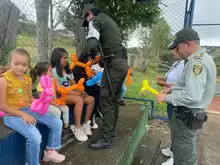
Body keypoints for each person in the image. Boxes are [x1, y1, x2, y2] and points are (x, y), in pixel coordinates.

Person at [156, 28, 216, 165]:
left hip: (187, 116)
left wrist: (166, 98)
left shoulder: (197, 63)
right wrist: (172, 88)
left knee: (184, 158)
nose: (175, 52)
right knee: (182, 153)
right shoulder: (199, 59)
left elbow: (192, 96)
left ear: (187, 44)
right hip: (189, 116)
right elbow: (185, 86)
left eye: (177, 48)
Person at [0, 48, 65, 165]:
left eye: (24, 65)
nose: (20, 67)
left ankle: (50, 152)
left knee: (56, 122)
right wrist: (23, 114)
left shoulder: (27, 79)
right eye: (16, 64)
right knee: (35, 137)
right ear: (9, 63)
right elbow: (2, 106)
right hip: (11, 114)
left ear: (28, 66)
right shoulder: (4, 80)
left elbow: (30, 99)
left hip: (28, 109)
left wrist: (41, 104)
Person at [82, 4, 128, 149]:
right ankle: (110, 132)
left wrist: (91, 56)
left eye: (87, 19)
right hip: (121, 63)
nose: (88, 23)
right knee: (113, 99)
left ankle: (106, 138)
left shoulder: (95, 21)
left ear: (90, 14)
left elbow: (92, 44)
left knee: (106, 100)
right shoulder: (109, 20)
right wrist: (103, 58)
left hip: (113, 65)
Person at [51, 47, 95, 142]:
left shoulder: (68, 71)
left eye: (67, 57)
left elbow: (73, 84)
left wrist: (80, 91)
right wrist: (76, 93)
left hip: (71, 93)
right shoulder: (53, 72)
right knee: (79, 99)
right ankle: (77, 127)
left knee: (91, 99)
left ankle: (86, 123)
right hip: (60, 96)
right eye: (64, 58)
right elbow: (58, 90)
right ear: (57, 59)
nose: (66, 60)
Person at [30, 62, 74, 139]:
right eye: (50, 71)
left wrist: (56, 81)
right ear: (44, 73)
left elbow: (58, 88)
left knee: (66, 108)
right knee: (57, 112)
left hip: (54, 101)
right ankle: (57, 130)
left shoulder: (52, 80)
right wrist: (53, 102)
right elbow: (42, 99)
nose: (52, 72)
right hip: (46, 104)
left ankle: (66, 127)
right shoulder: (41, 84)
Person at [156, 56, 184, 165]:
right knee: (173, 126)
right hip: (171, 99)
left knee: (178, 129)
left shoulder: (186, 64)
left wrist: (163, 84)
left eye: (175, 49)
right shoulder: (177, 63)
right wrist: (164, 79)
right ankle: (173, 150)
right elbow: (173, 79)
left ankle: (176, 159)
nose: (173, 52)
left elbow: (181, 85)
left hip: (178, 100)